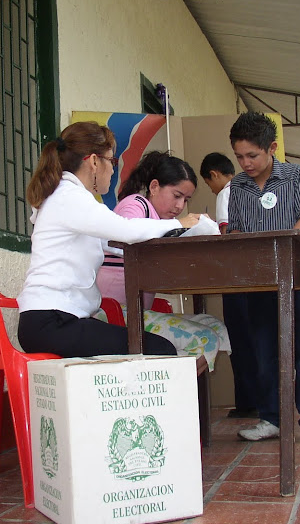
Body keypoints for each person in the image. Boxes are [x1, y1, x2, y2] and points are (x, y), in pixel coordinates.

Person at [16, 122, 200, 357]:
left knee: (150, 346)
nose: (114, 171)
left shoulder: (68, 197)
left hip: (53, 320)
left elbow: (118, 245)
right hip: (52, 322)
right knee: (159, 349)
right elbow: (126, 230)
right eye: (112, 162)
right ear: (93, 162)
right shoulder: (69, 196)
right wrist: (180, 224)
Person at [227, 112, 300, 444]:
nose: (245, 163)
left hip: (295, 274)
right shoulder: (238, 185)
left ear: (271, 148)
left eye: (252, 155)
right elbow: (238, 227)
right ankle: (270, 417)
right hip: (259, 279)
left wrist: (285, 246)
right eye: (239, 156)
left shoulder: (294, 175)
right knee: (263, 348)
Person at [95, 151, 230, 369]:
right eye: (176, 196)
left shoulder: (159, 219)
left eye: (185, 200)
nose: (180, 206)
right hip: (114, 313)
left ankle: (171, 387)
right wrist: (180, 226)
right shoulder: (135, 204)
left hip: (138, 312)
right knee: (206, 337)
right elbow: (129, 234)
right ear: (155, 186)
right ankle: (171, 391)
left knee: (216, 327)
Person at [200, 152, 259, 418]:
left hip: (237, 277)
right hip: (257, 275)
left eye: (207, 182)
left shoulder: (226, 193)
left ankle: (248, 402)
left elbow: (227, 233)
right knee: (258, 338)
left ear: (214, 174)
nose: (210, 189)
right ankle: (263, 399)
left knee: (240, 339)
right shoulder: (251, 188)